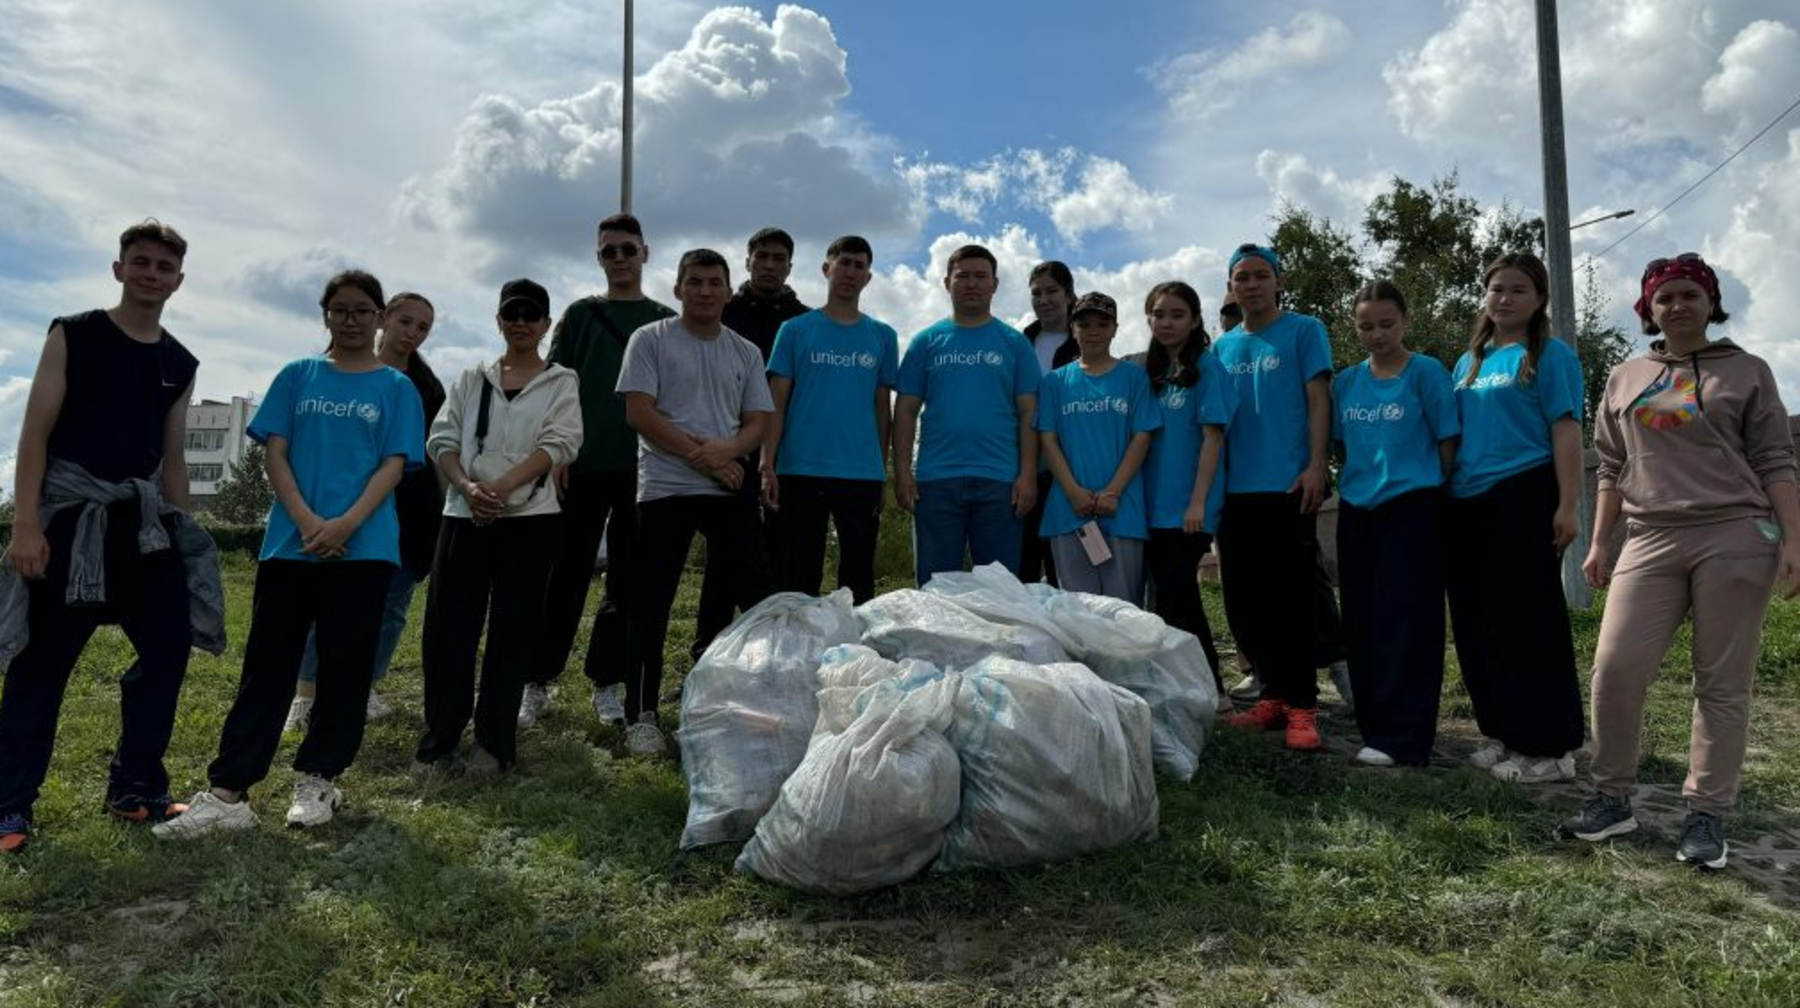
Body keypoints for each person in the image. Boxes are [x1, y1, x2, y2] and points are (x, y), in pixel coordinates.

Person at [154, 270, 424, 838]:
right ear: (325, 315)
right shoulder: (297, 376)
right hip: (290, 547)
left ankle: (317, 779)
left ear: (378, 318)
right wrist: (306, 519)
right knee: (267, 668)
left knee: (346, 671)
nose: (351, 320)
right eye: (340, 309)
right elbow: (275, 454)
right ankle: (229, 793)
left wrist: (346, 523)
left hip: (365, 549)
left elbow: (394, 466)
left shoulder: (397, 389)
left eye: (362, 310)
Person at [1559, 253, 1798, 869]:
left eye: (1691, 295)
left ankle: (1706, 815)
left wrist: (1794, 540)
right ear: (1648, 309)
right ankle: (1612, 798)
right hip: (1649, 535)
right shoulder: (1623, 376)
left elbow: (1776, 459)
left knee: (1721, 683)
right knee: (1614, 669)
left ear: (1710, 302)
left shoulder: (1747, 371)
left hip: (1735, 532)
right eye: (1664, 298)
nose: (1677, 306)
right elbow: (1610, 465)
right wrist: (1599, 541)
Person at [0, 220, 223, 853]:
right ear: (119, 268)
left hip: (143, 527)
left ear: (178, 281)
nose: (152, 274)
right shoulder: (75, 333)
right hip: (70, 519)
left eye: (164, 267)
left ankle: (135, 788)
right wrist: (27, 524)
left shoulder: (178, 361)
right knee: (41, 666)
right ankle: (9, 807)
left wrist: (182, 539)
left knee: (168, 649)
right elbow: (35, 434)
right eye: (141, 262)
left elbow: (174, 459)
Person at [415, 279, 582, 773]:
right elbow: (441, 438)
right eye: (513, 313)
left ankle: (493, 743)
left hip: (531, 520)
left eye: (532, 314)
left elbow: (561, 443)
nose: (522, 323)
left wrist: (503, 487)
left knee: (513, 633)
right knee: (449, 632)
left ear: (547, 325)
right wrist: (467, 489)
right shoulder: (472, 377)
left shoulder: (561, 380)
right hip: (463, 518)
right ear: (499, 320)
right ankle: (440, 739)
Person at [617, 249, 775, 755]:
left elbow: (757, 422)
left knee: (757, 595)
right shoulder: (651, 340)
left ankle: (757, 699)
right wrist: (704, 457)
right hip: (665, 487)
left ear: (730, 291)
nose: (705, 291)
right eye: (695, 282)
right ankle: (640, 714)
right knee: (651, 601)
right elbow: (640, 413)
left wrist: (730, 450)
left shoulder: (745, 351)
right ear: (678, 289)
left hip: (727, 486)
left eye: (714, 282)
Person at [528, 213, 676, 730]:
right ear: (599, 257)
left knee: (627, 585)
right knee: (562, 577)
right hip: (581, 465)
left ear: (645, 254)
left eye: (628, 250)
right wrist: (556, 453)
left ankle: (607, 682)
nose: (619, 259)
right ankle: (537, 679)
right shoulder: (581, 315)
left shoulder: (664, 321)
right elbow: (554, 386)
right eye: (609, 251)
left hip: (644, 470)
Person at [1447, 252, 1586, 784]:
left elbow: (1567, 430)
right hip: (1468, 500)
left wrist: (1567, 504)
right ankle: (1504, 731)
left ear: (1538, 300)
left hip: (1524, 492)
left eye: (1518, 290)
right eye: (1496, 289)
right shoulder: (1470, 362)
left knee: (1528, 621)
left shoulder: (1550, 355)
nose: (1504, 298)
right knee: (1479, 622)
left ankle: (1550, 746)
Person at [286, 292, 444, 731]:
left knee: (392, 606)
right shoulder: (334, 371)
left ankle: (364, 687)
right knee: (330, 603)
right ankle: (306, 694)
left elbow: (434, 451)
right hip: (343, 504)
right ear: (383, 319)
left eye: (423, 328)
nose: (412, 333)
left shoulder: (429, 387)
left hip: (410, 510)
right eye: (405, 321)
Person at [1331, 281, 1459, 768]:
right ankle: (1375, 726)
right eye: (1366, 325)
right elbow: (1343, 446)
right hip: (1358, 509)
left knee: (1406, 619)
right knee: (1361, 619)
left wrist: (1429, 494)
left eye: (1386, 323)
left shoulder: (1426, 372)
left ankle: (1407, 737)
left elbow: (1447, 444)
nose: (1377, 334)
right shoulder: (1346, 381)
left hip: (1413, 507)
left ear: (1405, 320)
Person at [1215, 244, 1334, 752]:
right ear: (1231, 287)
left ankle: (1304, 708)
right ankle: (1273, 697)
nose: (1252, 284)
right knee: (1245, 604)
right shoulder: (1221, 349)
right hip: (1234, 493)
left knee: (1291, 603)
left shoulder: (1305, 330)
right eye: (1242, 277)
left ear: (1278, 282)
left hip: (1287, 487)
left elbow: (1318, 400)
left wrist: (1316, 464)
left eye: (1261, 275)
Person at [692, 227, 811, 660]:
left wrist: (775, 455)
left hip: (784, 454)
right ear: (747, 261)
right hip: (725, 449)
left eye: (778, 258)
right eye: (761, 256)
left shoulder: (803, 320)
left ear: (789, 266)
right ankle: (708, 652)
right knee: (724, 558)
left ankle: (773, 656)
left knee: (778, 556)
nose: (769, 265)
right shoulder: (723, 309)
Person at [761, 235, 898, 603]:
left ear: (868, 277)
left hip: (861, 473)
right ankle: (797, 652)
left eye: (859, 266)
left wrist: (882, 469)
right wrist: (767, 463)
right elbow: (776, 402)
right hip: (800, 469)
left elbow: (882, 408)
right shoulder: (795, 330)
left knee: (858, 578)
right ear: (827, 269)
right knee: (798, 575)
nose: (851, 272)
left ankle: (855, 656)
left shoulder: (883, 336)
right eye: (844, 263)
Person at [894, 245, 1040, 585]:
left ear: (995, 284)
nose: (971, 284)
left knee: (1002, 591)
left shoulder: (1014, 343)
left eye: (980, 276)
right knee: (937, 590)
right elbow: (905, 409)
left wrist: (1028, 475)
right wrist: (902, 472)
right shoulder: (926, 341)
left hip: (1001, 482)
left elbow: (1029, 412)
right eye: (963, 276)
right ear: (947, 282)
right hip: (935, 482)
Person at [1137, 281, 1235, 696]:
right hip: (1151, 506)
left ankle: (1212, 689)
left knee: (1180, 599)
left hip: (1189, 507)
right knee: (1165, 602)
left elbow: (1213, 439)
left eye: (1177, 314)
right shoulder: (1150, 372)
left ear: (1195, 320)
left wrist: (1198, 502)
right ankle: (1181, 689)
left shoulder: (1208, 368)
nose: (1167, 322)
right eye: (1159, 314)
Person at [1035, 292, 1160, 600]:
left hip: (1122, 509)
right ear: (1072, 328)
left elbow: (1142, 436)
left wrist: (1114, 491)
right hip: (1068, 509)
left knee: (1124, 610)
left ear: (1115, 328)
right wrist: (1073, 492)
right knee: (1078, 614)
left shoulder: (1134, 378)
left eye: (1102, 324)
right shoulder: (1055, 382)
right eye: (1085, 323)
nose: (1093, 331)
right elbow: (1047, 439)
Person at [1020, 261, 1080, 584]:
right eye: (1036, 293)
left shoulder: (1087, 337)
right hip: (1029, 468)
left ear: (1069, 294)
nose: (1044, 299)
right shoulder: (1021, 342)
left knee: (1067, 569)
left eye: (1052, 291)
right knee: (1025, 564)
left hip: (1074, 468)